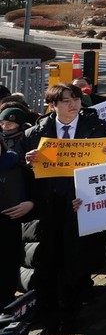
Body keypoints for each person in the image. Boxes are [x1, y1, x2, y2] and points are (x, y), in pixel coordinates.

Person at [22, 83, 106, 335]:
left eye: (76, 99)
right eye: (66, 101)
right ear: (53, 105)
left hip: (81, 205)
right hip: (48, 208)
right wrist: (29, 161)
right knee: (47, 263)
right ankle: (48, 314)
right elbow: (24, 171)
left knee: (76, 263)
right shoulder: (36, 132)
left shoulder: (96, 127)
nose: (73, 104)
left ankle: (72, 313)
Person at [0, 107, 35, 307]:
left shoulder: (17, 166)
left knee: (7, 268)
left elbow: (37, 194)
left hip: (10, 227)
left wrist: (30, 204)